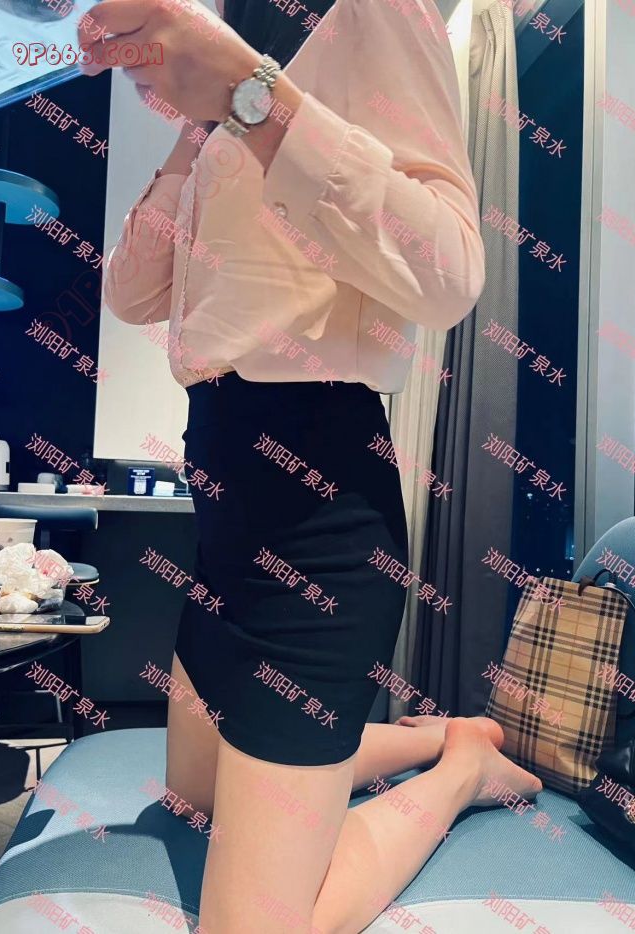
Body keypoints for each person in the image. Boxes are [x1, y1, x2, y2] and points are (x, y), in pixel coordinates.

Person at [89, 0, 543, 929]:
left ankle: (463, 768)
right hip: (225, 520)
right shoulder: (231, 58)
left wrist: (254, 96)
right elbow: (132, 294)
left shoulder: (380, 15)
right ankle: (437, 737)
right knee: (193, 794)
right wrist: (200, 123)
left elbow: (451, 273)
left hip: (319, 530)